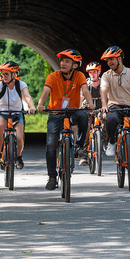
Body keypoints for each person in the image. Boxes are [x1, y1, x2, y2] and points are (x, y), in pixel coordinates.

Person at [36, 49, 93, 190]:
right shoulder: (53, 76)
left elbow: (85, 90)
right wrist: (40, 104)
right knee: (50, 146)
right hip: (55, 112)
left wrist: (90, 103)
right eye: (62, 60)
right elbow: (45, 91)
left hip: (73, 111)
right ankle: (52, 177)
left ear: (75, 65)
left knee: (83, 116)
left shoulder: (79, 76)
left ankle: (80, 146)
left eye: (67, 61)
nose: (63, 63)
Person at [100, 46, 130, 178]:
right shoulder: (106, 75)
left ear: (120, 58)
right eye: (107, 60)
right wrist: (104, 104)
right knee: (110, 119)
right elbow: (104, 90)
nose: (109, 62)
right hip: (115, 107)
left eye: (111, 59)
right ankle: (111, 141)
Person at [0, 61, 36, 170]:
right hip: (1, 113)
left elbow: (28, 96)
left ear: (14, 74)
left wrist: (32, 107)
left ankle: (19, 156)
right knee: (0, 127)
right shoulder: (0, 85)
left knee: (20, 137)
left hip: (17, 114)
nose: (4, 76)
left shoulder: (21, 85)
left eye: (6, 74)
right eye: (2, 74)